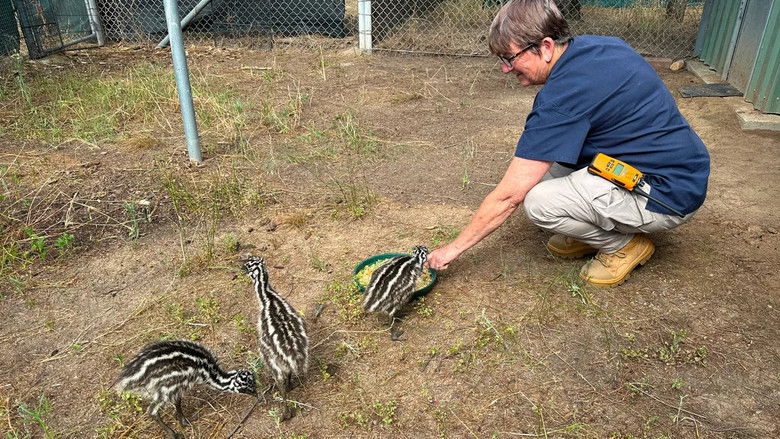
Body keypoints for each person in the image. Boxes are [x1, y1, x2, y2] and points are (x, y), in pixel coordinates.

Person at [425, 0, 710, 287]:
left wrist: (452, 249)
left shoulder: (563, 98)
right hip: (676, 167)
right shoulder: (600, 46)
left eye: (510, 58)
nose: (505, 69)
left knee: (538, 203)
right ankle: (590, 232)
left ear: (546, 47)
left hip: (668, 193)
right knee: (539, 177)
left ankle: (622, 246)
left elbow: (509, 196)